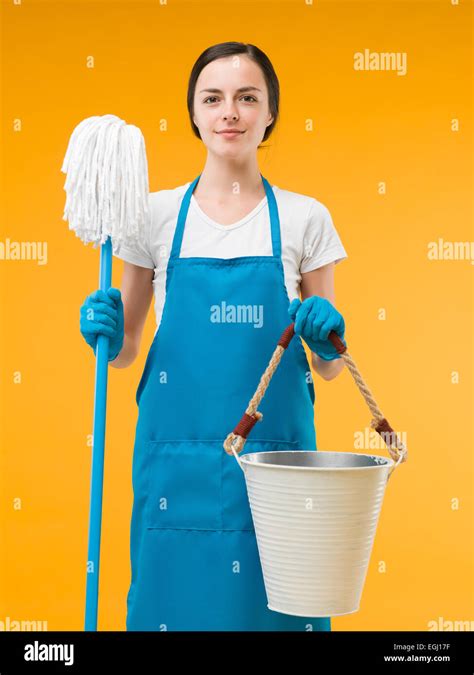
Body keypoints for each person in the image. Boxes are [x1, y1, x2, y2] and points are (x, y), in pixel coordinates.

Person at [80, 42, 348, 631]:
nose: (231, 111)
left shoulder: (306, 218)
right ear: (195, 114)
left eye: (247, 98)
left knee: (280, 608)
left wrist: (328, 335)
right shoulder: (149, 216)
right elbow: (126, 350)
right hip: (177, 467)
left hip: (275, 465)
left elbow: (328, 366)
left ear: (269, 113)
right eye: (214, 98)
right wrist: (102, 332)